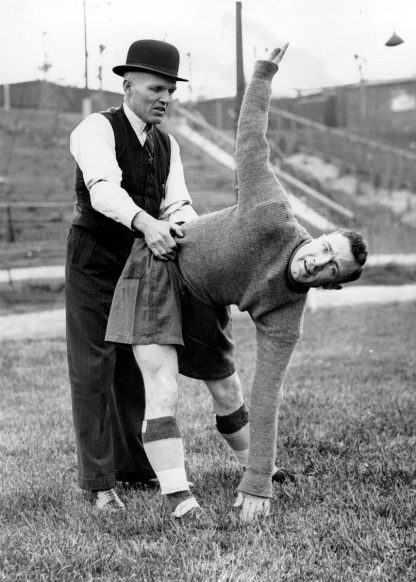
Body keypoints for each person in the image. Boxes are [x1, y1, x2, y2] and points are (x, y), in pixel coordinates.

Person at [105, 42, 368, 523]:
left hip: (206, 300)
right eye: (325, 248)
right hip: (161, 266)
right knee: (163, 388)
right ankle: (179, 500)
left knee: (232, 392)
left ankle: (253, 468)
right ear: (319, 236)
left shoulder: (288, 313)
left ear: (332, 285)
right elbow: (251, 138)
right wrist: (264, 72)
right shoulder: (273, 212)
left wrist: (259, 481)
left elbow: (270, 392)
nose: (319, 261)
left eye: (333, 268)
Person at [66, 39, 197, 511]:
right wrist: (147, 223)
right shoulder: (96, 128)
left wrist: (186, 229)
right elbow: (103, 190)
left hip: (140, 262)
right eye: (155, 89)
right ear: (127, 86)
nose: (164, 99)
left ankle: (135, 467)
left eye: (170, 91)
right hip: (96, 258)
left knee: (133, 365)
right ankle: (99, 483)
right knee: (93, 367)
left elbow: (177, 203)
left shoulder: (167, 142)